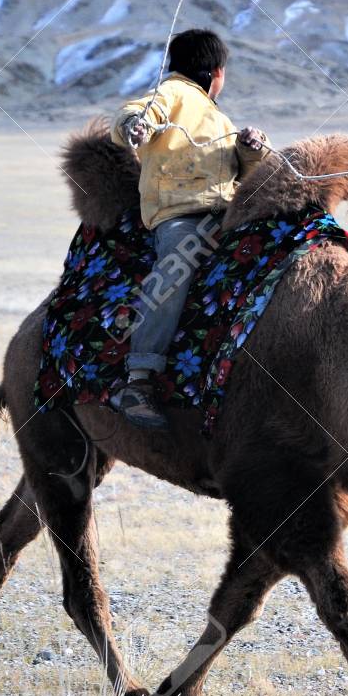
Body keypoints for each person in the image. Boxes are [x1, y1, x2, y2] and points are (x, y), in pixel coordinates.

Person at [107, 29, 269, 429]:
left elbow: (245, 173)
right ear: (216, 72)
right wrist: (135, 126)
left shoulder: (221, 118)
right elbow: (138, 112)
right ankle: (139, 379)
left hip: (226, 215)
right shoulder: (173, 94)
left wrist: (251, 149)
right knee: (176, 267)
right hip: (180, 216)